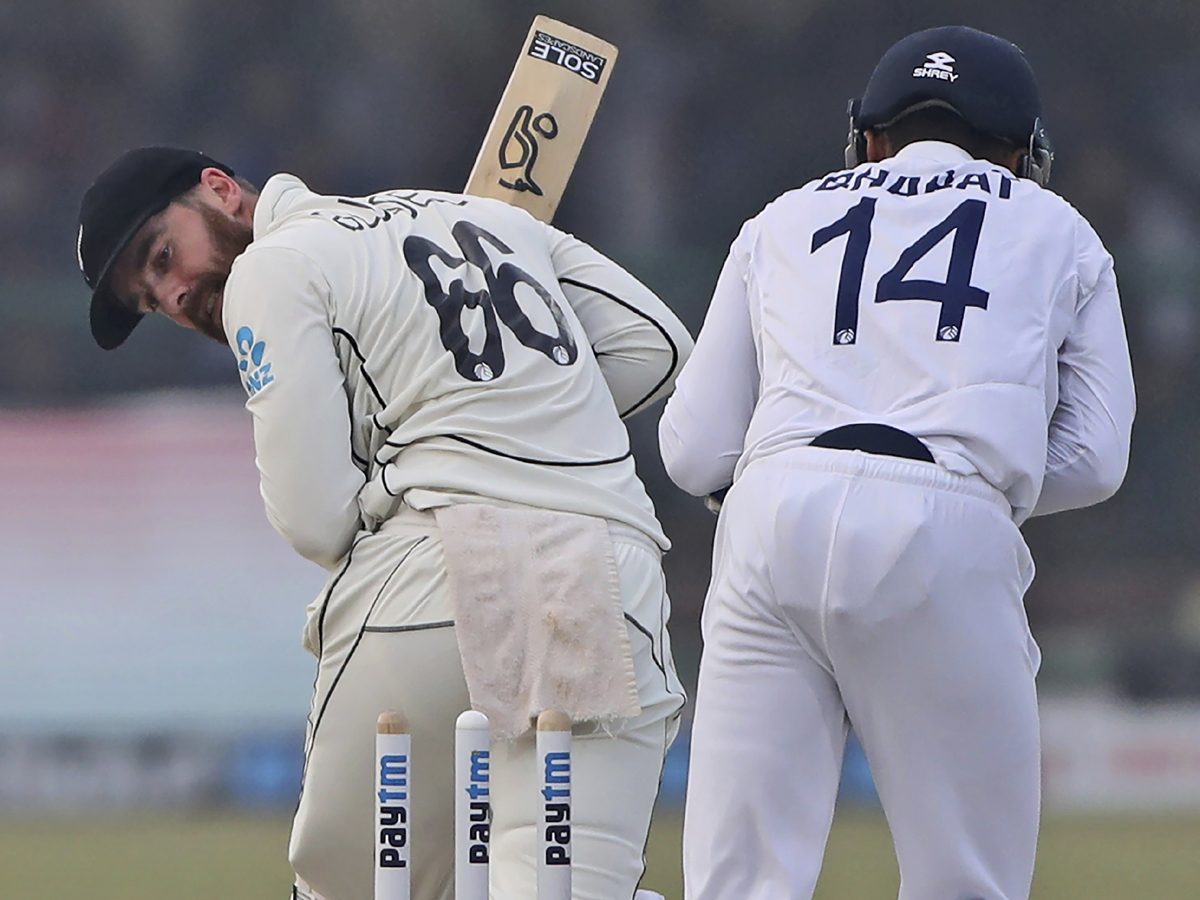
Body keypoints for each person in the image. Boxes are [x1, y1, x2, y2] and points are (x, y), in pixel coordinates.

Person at [77, 147, 691, 900]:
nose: (173, 294)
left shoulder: (271, 268)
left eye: (163, 255)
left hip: (437, 579)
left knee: (346, 890)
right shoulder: (490, 217)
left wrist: (405, 465)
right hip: (608, 579)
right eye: (151, 297)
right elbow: (657, 347)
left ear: (220, 190)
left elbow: (315, 519)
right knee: (558, 890)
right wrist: (534, 413)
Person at [659, 25, 1135, 900]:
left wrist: (785, 475)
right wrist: (981, 485)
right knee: (966, 882)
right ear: (1021, 152)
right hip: (947, 522)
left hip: (771, 513)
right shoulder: (1057, 226)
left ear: (871, 138)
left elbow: (693, 451)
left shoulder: (783, 217)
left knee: (740, 884)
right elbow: (1100, 457)